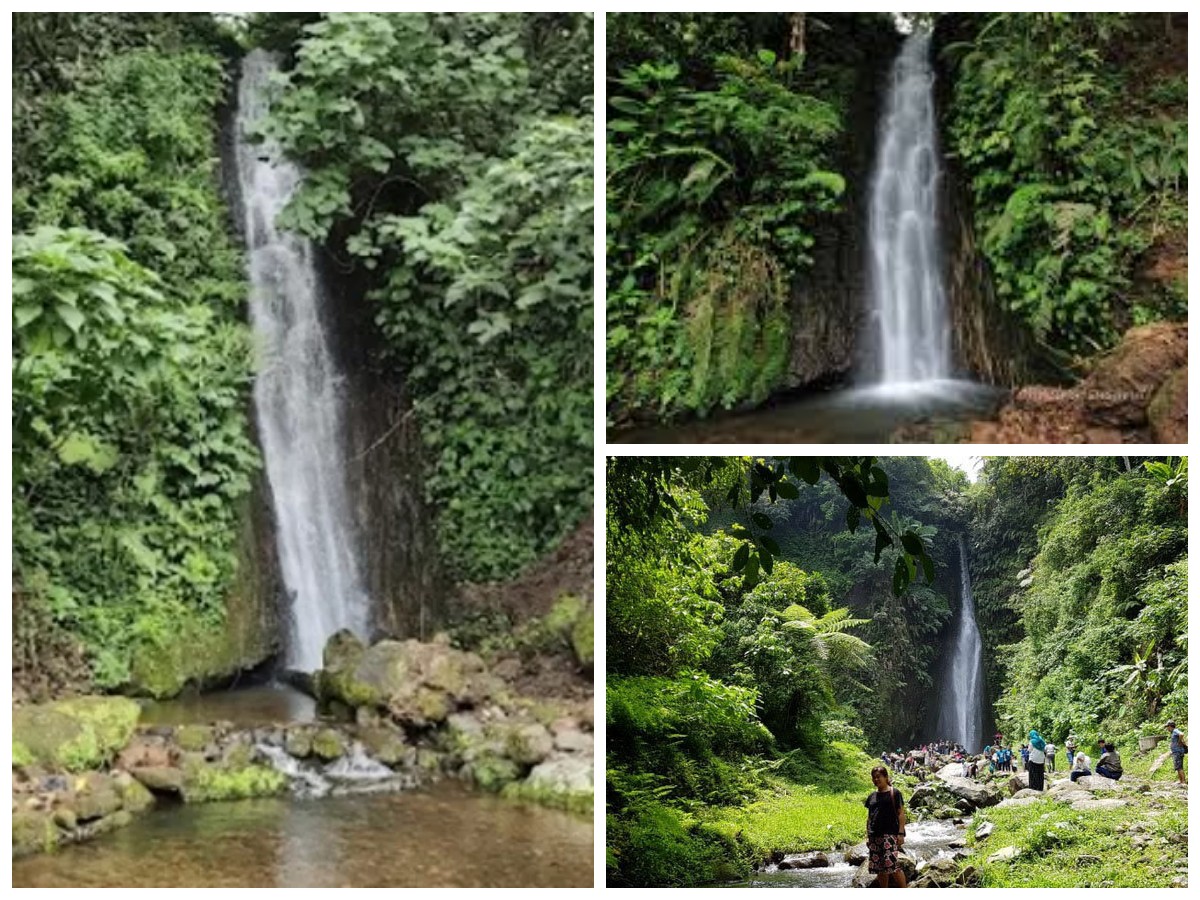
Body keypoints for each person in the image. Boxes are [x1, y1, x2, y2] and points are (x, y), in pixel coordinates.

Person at [864, 766, 907, 888]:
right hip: (874, 836)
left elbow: (901, 814)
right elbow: (869, 818)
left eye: (879, 777)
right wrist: (867, 835)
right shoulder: (872, 796)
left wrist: (900, 833)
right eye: (874, 777)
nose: (876, 779)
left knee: (892, 866)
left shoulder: (895, 793)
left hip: (890, 835)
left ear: (886, 777)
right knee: (879, 868)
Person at [1167, 720, 1187, 785]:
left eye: (1167, 727)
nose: (1167, 729)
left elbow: (1181, 734)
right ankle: (1180, 781)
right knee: (1178, 767)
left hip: (1178, 752)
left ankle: (1183, 782)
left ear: (1170, 726)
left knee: (1180, 767)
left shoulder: (1175, 730)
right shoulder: (1173, 732)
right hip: (1176, 752)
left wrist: (1179, 742)